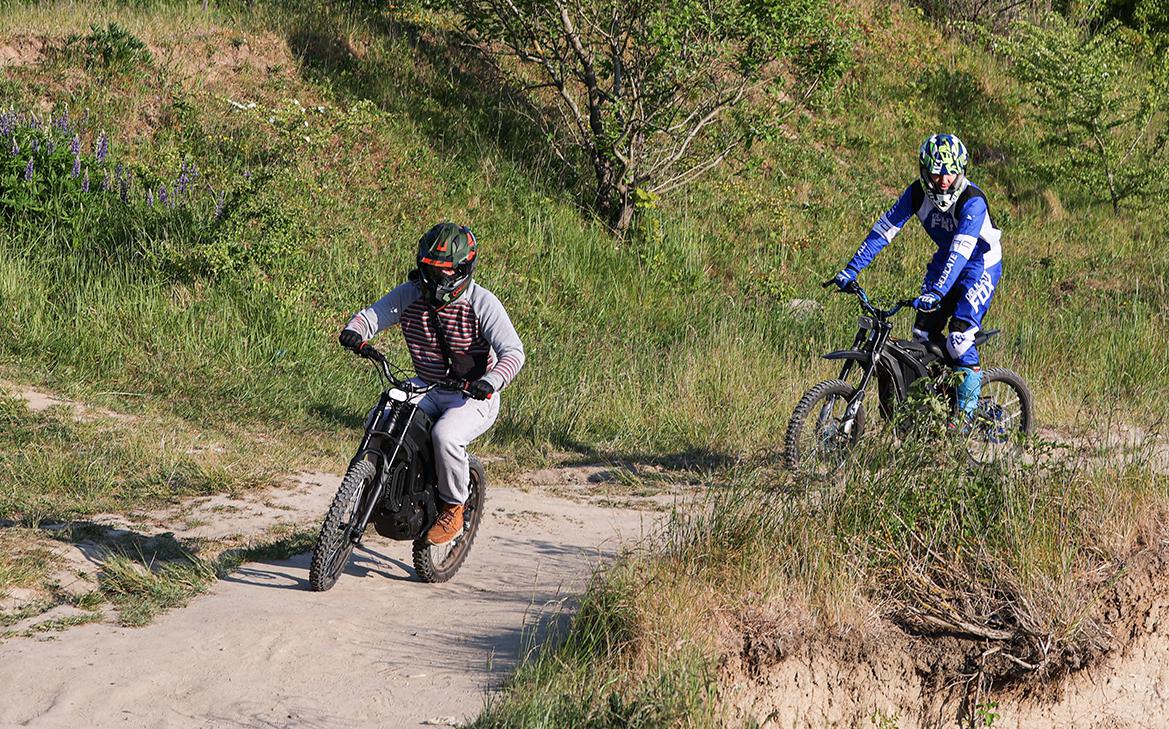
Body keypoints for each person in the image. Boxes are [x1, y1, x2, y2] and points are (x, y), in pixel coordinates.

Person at [338, 223, 525, 544]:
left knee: (446, 435)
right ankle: (373, 481)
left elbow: (513, 352)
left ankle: (454, 506)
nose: (433, 280)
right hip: (426, 383)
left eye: (443, 274)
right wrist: (355, 331)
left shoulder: (482, 303)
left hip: (472, 394)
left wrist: (491, 381)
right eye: (428, 270)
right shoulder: (409, 294)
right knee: (380, 418)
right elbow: (372, 316)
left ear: (464, 270)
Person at [830, 133, 1003, 427]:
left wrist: (937, 291)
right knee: (922, 339)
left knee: (959, 339)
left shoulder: (973, 201)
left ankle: (965, 419)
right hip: (946, 260)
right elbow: (883, 231)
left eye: (951, 171)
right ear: (925, 171)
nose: (944, 180)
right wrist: (851, 269)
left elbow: (962, 251)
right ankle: (934, 405)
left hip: (979, 264)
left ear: (961, 170)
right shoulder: (917, 194)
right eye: (937, 172)